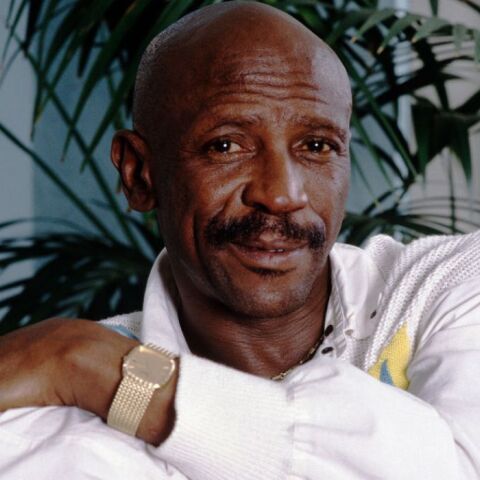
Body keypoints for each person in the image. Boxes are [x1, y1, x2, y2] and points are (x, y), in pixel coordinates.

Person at [1, 2, 480, 479]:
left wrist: (98, 370)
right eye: (226, 145)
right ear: (139, 174)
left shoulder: (448, 287)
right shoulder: (47, 416)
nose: (282, 194)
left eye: (316, 146)